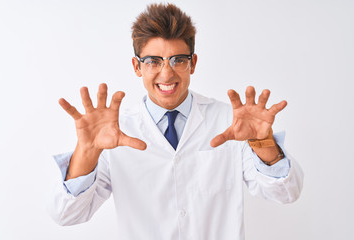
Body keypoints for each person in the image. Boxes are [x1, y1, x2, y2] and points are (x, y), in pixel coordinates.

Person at [47, 3, 304, 240]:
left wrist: (263, 142)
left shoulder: (231, 122)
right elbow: (65, 215)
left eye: (178, 60)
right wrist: (86, 153)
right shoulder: (113, 134)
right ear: (137, 67)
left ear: (192, 63)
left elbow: (285, 193)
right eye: (153, 61)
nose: (167, 73)